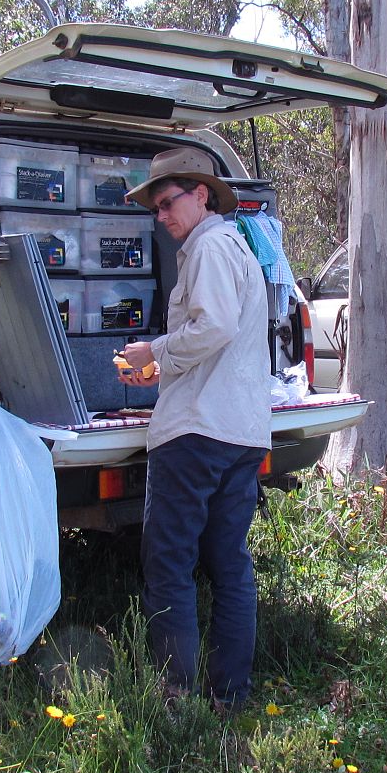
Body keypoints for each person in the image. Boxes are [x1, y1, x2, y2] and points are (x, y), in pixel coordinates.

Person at [117, 146, 271, 712]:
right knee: (229, 563)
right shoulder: (235, 250)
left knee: (170, 563)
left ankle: (174, 701)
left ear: (201, 195)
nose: (161, 216)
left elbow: (215, 327)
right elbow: (220, 339)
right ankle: (230, 697)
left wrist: (153, 352)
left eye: (167, 203)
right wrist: (158, 368)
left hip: (196, 433)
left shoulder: (208, 247)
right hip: (240, 431)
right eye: (156, 208)